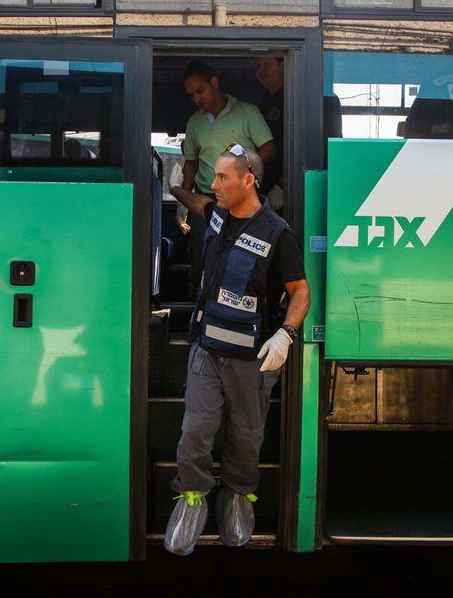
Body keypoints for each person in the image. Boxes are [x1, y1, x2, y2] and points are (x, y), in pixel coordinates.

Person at [164, 144, 310, 556]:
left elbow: (300, 293)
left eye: (223, 178)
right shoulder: (215, 214)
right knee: (195, 431)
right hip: (207, 349)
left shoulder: (278, 234)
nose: (215, 184)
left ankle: (238, 497)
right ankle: (192, 500)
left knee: (246, 439)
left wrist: (285, 335)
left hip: (251, 360)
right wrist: (176, 188)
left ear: (249, 180)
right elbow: (195, 199)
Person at [177, 60, 276, 298]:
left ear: (214, 82)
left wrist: (243, 175)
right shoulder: (195, 122)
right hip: (206, 200)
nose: (197, 99)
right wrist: (183, 204)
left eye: (200, 91)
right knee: (204, 255)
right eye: (191, 95)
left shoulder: (247, 112)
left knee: (241, 257)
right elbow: (190, 164)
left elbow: (269, 149)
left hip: (242, 199)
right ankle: (202, 312)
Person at [254, 55, 285, 210]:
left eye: (267, 64)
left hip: (287, 186)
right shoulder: (264, 101)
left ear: (284, 65)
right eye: (258, 66)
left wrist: (281, 183)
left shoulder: (295, 98)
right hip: (265, 184)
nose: (261, 71)